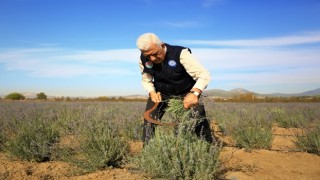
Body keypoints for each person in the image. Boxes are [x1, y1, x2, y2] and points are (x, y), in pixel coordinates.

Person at [136, 32, 213, 145]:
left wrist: (194, 93)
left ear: (162, 45)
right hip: (160, 94)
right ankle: (148, 152)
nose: (152, 59)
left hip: (186, 93)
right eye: (148, 56)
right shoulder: (143, 59)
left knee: (198, 122)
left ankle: (207, 148)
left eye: (155, 54)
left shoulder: (181, 53)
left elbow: (203, 74)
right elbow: (146, 79)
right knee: (149, 121)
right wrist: (152, 92)